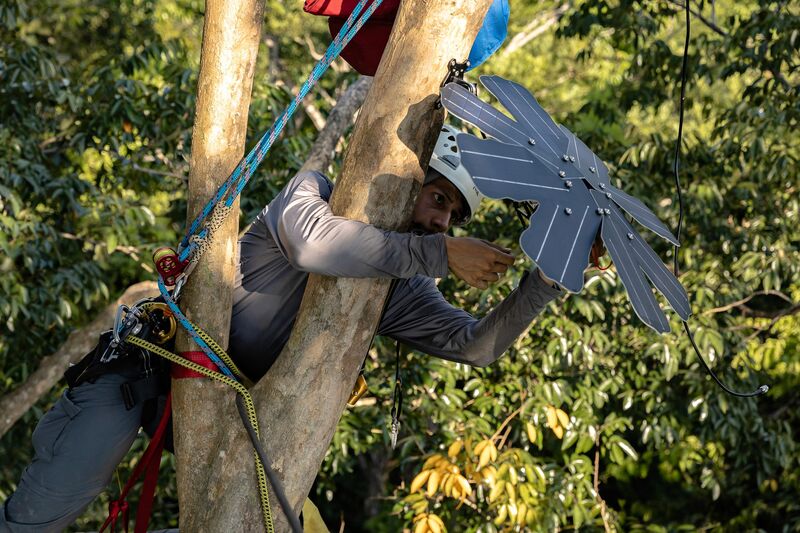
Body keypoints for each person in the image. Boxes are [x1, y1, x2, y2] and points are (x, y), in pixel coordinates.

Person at [0, 125, 564, 532]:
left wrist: (549, 278)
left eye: (452, 217)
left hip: (234, 420)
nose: (441, 220)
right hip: (144, 376)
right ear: (402, 179)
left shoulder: (400, 288)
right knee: (40, 518)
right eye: (438, 198)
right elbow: (313, 245)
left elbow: (477, 346)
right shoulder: (310, 194)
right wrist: (440, 252)